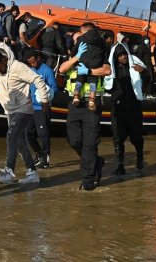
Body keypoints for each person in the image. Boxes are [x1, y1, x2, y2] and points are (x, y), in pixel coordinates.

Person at [0, 43, 51, 185]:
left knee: (11, 135)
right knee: (19, 142)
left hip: (23, 108)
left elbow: (37, 79)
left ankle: (9, 171)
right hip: (10, 109)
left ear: (4, 60)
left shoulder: (18, 67)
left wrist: (44, 100)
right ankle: (32, 172)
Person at [59, 28, 112, 191]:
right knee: (74, 140)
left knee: (90, 142)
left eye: (80, 39)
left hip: (92, 103)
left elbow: (107, 70)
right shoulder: (75, 55)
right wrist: (76, 57)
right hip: (75, 104)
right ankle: (96, 162)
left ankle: (88, 179)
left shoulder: (100, 52)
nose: (78, 42)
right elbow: (62, 69)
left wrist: (88, 71)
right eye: (77, 40)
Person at [104, 41, 147, 176]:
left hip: (134, 108)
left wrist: (144, 72)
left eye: (125, 54)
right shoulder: (111, 70)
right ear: (115, 56)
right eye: (120, 55)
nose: (123, 57)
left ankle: (140, 157)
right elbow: (107, 87)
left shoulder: (135, 67)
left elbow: (147, 81)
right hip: (118, 109)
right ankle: (120, 165)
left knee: (137, 137)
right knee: (118, 138)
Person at [25, 50, 57, 169]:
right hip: (31, 107)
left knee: (43, 133)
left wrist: (45, 94)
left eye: (33, 62)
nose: (32, 64)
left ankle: (46, 157)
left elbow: (54, 88)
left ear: (38, 58)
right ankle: (38, 153)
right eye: (30, 63)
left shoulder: (47, 71)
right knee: (28, 132)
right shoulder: (31, 70)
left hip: (42, 107)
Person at [70, 22, 106, 111]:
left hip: (83, 62)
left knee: (79, 79)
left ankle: (76, 96)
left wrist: (77, 54)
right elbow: (104, 52)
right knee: (93, 81)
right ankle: (92, 99)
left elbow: (73, 52)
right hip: (95, 64)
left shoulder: (81, 38)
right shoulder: (101, 40)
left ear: (85, 30)